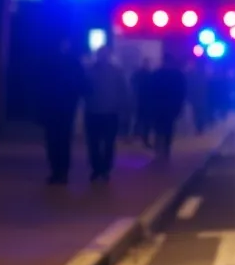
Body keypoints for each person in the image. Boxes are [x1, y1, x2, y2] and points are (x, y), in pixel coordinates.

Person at [42, 38, 87, 185]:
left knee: (54, 140)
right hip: (65, 107)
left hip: (54, 107)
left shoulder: (49, 63)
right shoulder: (73, 63)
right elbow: (82, 84)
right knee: (62, 140)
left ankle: (57, 171)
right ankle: (61, 171)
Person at [84, 45, 130, 182]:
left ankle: (104, 169)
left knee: (107, 143)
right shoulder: (92, 71)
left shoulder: (113, 72)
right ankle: (98, 168)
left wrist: (123, 109)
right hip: (95, 112)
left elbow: (123, 92)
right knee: (95, 143)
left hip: (108, 112)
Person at [148, 53, 187, 157]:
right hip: (169, 105)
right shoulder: (177, 75)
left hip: (160, 105)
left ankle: (161, 147)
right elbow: (181, 92)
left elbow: (151, 91)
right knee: (167, 127)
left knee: (160, 127)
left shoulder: (157, 74)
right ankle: (165, 148)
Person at [130, 59, 153, 146]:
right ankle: (140, 137)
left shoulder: (141, 74)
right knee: (141, 119)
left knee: (140, 119)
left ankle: (139, 136)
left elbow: (132, 82)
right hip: (143, 99)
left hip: (143, 99)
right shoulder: (148, 74)